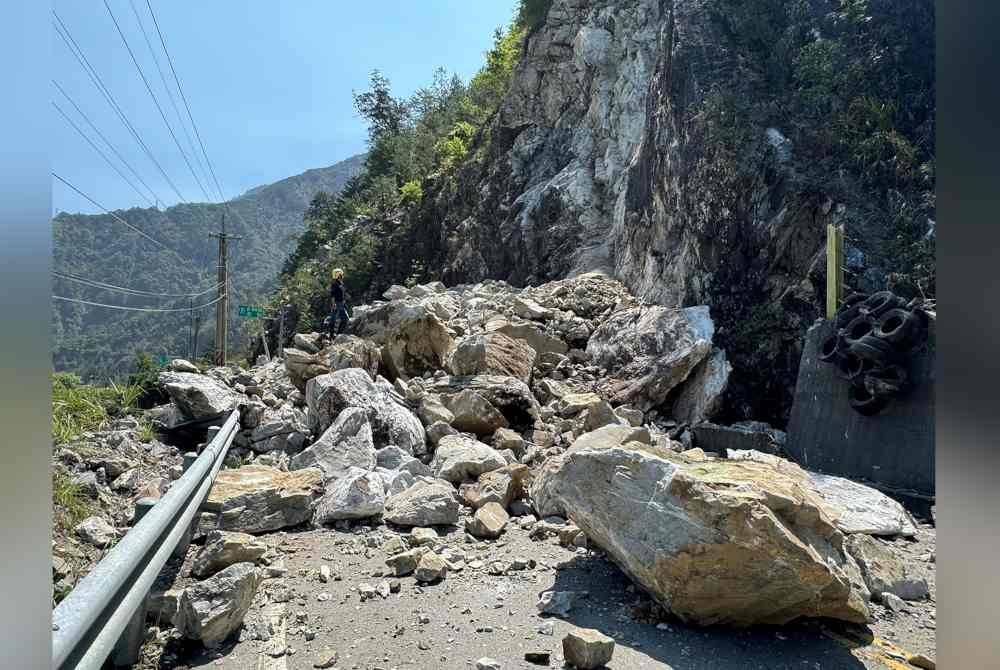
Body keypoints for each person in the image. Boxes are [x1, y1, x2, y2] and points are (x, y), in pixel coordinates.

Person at [328, 268, 349, 337]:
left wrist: (344, 301)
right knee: (334, 318)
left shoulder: (340, 283)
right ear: (338, 275)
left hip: (341, 303)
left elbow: (342, 293)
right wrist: (333, 304)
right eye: (341, 274)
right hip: (337, 303)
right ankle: (332, 334)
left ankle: (338, 334)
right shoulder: (335, 284)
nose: (342, 275)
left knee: (344, 319)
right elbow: (332, 295)